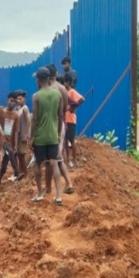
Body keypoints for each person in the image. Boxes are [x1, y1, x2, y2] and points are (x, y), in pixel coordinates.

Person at [30, 67, 65, 205]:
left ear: (39, 80)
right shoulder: (58, 94)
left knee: (38, 163)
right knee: (54, 163)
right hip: (52, 135)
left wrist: (31, 137)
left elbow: (35, 119)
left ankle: (40, 193)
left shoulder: (36, 96)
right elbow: (61, 115)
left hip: (40, 136)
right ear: (49, 78)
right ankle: (58, 195)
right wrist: (58, 133)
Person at [46, 64, 74, 194]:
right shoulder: (63, 88)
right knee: (56, 156)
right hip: (61, 123)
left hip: (52, 124)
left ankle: (52, 188)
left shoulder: (49, 89)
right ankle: (66, 183)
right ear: (56, 73)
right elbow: (65, 108)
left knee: (53, 158)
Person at [0, 92, 21, 186]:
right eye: (11, 101)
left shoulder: (16, 115)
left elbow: (16, 131)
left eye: (14, 101)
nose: (12, 103)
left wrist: (16, 145)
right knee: (10, 152)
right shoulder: (2, 112)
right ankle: (17, 172)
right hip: (3, 140)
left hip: (11, 142)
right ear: (7, 100)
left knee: (5, 162)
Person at [64, 72, 84, 168]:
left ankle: (74, 160)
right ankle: (68, 160)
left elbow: (82, 99)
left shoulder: (71, 92)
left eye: (64, 82)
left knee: (71, 140)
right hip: (65, 119)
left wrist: (72, 107)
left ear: (68, 82)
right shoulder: (64, 93)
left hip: (71, 119)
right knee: (65, 140)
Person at [15, 90, 32, 176]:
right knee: (19, 154)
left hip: (23, 135)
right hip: (19, 135)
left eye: (20, 99)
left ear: (24, 99)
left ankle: (25, 173)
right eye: (17, 99)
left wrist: (25, 135)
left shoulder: (25, 108)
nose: (18, 101)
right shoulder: (18, 109)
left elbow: (29, 121)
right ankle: (21, 172)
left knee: (22, 154)